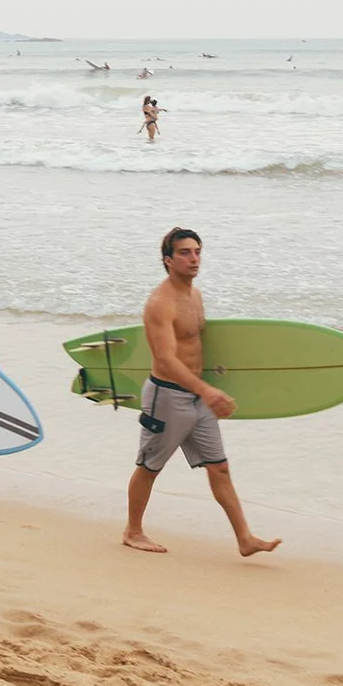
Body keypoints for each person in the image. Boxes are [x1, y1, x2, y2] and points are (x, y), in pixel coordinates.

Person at [123, 227, 281, 558]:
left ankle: (245, 539)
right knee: (150, 466)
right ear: (168, 260)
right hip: (167, 398)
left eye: (197, 252)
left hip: (197, 397)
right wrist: (207, 391)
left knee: (219, 467)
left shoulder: (195, 295)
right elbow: (165, 360)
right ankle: (133, 531)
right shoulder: (160, 303)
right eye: (185, 253)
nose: (194, 259)